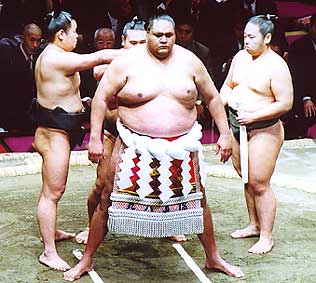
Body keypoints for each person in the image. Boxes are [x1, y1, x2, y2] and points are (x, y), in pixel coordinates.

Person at [64, 14, 244, 281]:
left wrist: (225, 135)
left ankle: (213, 257)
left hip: (182, 147)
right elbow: (101, 98)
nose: (163, 40)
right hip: (133, 145)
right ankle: (87, 259)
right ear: (147, 33)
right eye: (158, 35)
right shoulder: (126, 63)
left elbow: (213, 98)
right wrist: (94, 138)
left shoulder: (190, 61)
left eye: (168, 35)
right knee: (106, 199)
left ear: (175, 35)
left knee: (200, 200)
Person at [32, 11, 122, 271]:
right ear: (61, 34)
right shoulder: (56, 58)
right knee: (53, 192)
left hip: (58, 128)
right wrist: (139, 52)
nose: (77, 36)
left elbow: (62, 90)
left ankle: (51, 232)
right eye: (74, 31)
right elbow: (101, 57)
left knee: (50, 188)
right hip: (53, 132)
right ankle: (48, 251)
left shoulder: (52, 55)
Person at [220, 15, 293, 254]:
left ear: (267, 38)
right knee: (245, 177)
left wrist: (255, 115)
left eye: (252, 37)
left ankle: (266, 236)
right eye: (245, 37)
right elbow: (229, 84)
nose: (247, 41)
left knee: (259, 183)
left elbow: (285, 103)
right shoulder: (240, 58)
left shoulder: (277, 65)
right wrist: (222, 103)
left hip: (264, 128)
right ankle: (253, 224)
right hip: (236, 124)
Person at [75, 19, 147, 245]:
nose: (138, 47)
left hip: (147, 134)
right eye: (132, 42)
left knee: (157, 182)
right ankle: (91, 225)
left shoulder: (159, 65)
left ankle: (168, 225)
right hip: (112, 132)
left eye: (143, 42)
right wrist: (94, 138)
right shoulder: (111, 66)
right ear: (122, 42)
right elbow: (97, 72)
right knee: (102, 184)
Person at [0, 23, 42, 133]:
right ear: (23, 39)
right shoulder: (8, 55)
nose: (35, 45)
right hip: (12, 113)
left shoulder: (40, 56)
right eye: (32, 40)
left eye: (38, 41)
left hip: (32, 110)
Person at [286, 13, 316, 139]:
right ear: (311, 27)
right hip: (304, 95)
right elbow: (296, 77)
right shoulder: (298, 47)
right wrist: (306, 98)